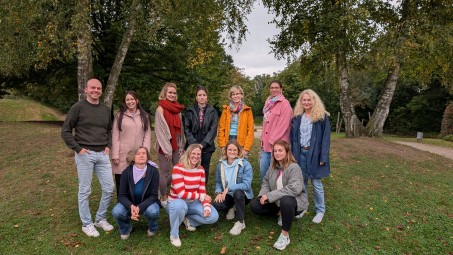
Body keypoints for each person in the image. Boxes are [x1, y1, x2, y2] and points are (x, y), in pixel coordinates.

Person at [61, 78, 115, 237]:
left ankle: (100, 218)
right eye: (93, 88)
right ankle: (87, 223)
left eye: (98, 88)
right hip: (85, 154)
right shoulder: (78, 107)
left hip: (102, 154)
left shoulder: (106, 109)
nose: (96, 91)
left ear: (101, 90)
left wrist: (108, 145)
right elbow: (65, 131)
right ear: (86, 89)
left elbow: (110, 130)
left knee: (109, 188)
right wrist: (78, 149)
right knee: (85, 190)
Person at [251, 140, 307, 251]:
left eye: (280, 150)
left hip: (293, 201)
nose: (277, 153)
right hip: (276, 200)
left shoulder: (294, 167)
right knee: (255, 206)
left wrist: (270, 195)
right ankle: (281, 213)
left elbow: (294, 188)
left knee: (286, 201)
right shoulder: (273, 167)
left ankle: (285, 235)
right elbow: (266, 181)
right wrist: (263, 195)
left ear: (287, 152)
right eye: (275, 151)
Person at [166, 144, 219, 247]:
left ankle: (189, 221)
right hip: (176, 203)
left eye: (198, 154)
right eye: (193, 153)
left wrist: (206, 206)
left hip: (192, 203)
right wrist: (201, 197)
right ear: (188, 154)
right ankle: (174, 235)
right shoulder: (178, 168)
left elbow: (202, 191)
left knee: (213, 217)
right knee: (180, 205)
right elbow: (181, 194)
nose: (196, 156)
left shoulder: (201, 170)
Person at [290, 89, 331, 224]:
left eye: (309, 100)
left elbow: (325, 139)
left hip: (315, 154)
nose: (306, 102)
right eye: (304, 100)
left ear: (314, 101)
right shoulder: (297, 117)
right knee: (302, 182)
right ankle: (303, 207)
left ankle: (320, 210)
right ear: (301, 102)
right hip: (300, 152)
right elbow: (293, 138)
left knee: (316, 182)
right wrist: (293, 154)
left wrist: (323, 158)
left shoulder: (321, 117)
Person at [111, 146, 160, 240]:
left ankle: (152, 228)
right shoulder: (126, 172)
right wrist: (131, 206)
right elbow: (121, 196)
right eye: (138, 153)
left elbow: (154, 196)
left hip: (148, 202)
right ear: (133, 157)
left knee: (153, 211)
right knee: (117, 211)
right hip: (130, 203)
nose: (141, 155)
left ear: (147, 156)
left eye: (144, 153)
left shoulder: (153, 172)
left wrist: (139, 207)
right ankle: (126, 229)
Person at [112, 91, 151, 197]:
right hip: (122, 154)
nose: (130, 102)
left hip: (138, 154)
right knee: (121, 181)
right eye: (127, 100)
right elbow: (115, 136)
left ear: (137, 101)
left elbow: (147, 136)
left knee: (137, 180)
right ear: (125, 102)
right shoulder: (119, 116)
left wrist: (145, 153)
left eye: (132, 99)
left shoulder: (144, 116)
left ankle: (136, 204)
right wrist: (115, 155)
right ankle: (122, 204)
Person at [211, 140, 253, 235]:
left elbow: (246, 185)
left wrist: (229, 188)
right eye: (230, 149)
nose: (232, 152)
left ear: (238, 151)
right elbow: (218, 182)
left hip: (242, 195)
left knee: (237, 193)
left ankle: (240, 222)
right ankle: (231, 207)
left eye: (235, 150)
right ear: (226, 151)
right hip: (227, 195)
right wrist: (218, 193)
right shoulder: (220, 164)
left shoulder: (245, 164)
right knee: (216, 205)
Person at [155, 83, 185, 208]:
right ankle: (163, 196)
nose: (172, 95)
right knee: (165, 172)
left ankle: (158, 187)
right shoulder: (160, 109)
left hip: (176, 145)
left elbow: (181, 130)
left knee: (180, 170)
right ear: (165, 93)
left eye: (174, 93)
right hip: (164, 146)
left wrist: (181, 146)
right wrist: (167, 150)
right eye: (170, 93)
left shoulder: (177, 109)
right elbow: (160, 131)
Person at [183, 86, 218, 185]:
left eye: (204, 95)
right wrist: (194, 144)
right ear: (196, 97)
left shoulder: (213, 111)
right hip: (191, 144)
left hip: (207, 145)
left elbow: (213, 130)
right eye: (199, 95)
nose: (202, 97)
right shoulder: (189, 110)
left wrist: (203, 144)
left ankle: (202, 190)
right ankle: (190, 189)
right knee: (191, 166)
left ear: (207, 97)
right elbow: (186, 128)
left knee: (204, 168)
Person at [260, 80, 293, 182]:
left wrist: (272, 141)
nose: (274, 89)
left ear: (281, 89)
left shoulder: (285, 104)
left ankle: (276, 196)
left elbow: (283, 125)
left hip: (278, 145)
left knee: (277, 173)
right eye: (272, 88)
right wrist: (262, 139)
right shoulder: (268, 103)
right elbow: (265, 124)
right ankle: (264, 195)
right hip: (265, 145)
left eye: (276, 87)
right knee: (264, 172)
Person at [217, 85, 254, 157]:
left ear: (241, 95)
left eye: (237, 94)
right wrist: (222, 145)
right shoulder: (226, 110)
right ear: (230, 96)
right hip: (228, 140)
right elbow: (221, 129)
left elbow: (250, 131)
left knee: (241, 163)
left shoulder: (247, 110)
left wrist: (246, 149)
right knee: (227, 163)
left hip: (241, 142)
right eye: (233, 94)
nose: (235, 96)